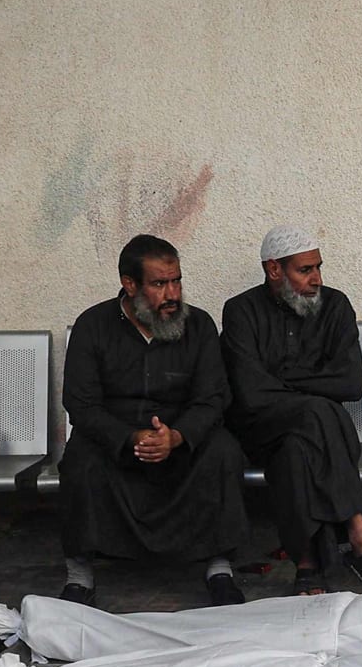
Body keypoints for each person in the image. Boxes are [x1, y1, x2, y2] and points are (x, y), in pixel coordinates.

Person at [59, 234, 251, 606]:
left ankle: (219, 567)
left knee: (223, 451)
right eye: (159, 284)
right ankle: (79, 574)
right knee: (80, 459)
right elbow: (80, 404)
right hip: (117, 439)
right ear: (129, 285)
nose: (172, 294)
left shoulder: (199, 326)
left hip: (180, 438)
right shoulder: (93, 325)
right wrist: (131, 437)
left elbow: (214, 398)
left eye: (176, 281)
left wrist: (177, 436)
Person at [219, 225, 362, 594]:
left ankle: (307, 562)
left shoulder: (336, 306)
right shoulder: (241, 311)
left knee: (295, 451)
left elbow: (351, 384)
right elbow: (251, 394)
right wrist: (313, 383)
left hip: (315, 438)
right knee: (321, 412)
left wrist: (282, 379)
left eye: (318, 268)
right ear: (274, 270)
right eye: (305, 270)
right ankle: (359, 532)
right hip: (260, 429)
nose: (317, 278)